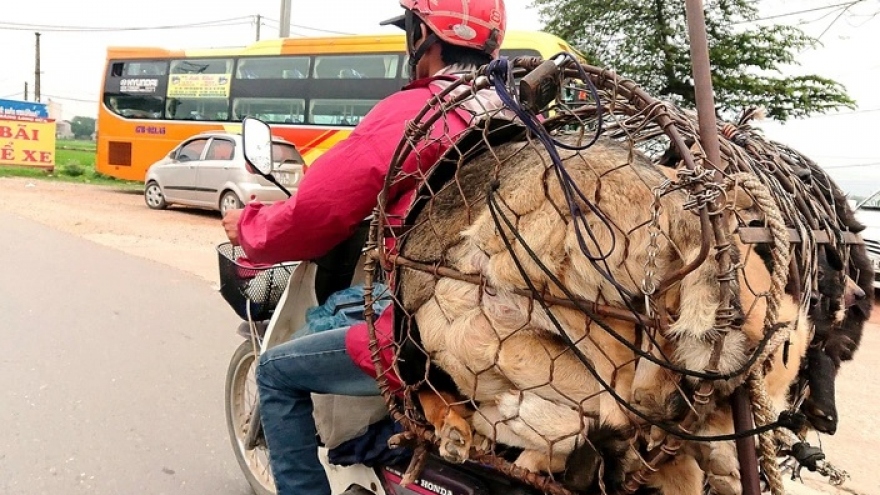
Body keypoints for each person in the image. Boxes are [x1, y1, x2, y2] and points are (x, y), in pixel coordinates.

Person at [221, 1, 507, 494]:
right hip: (511, 320)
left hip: (426, 333)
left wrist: (249, 226)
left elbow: (318, 211)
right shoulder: (519, 116)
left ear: (424, 38)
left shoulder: (419, 112)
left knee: (274, 373)